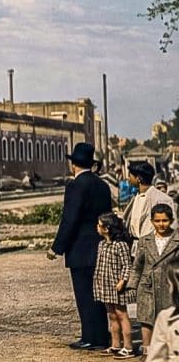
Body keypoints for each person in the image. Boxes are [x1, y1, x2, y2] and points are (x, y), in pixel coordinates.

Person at [48, 142, 113, 350]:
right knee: (100, 293)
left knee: (85, 295)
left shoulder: (75, 186)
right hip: (101, 244)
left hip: (80, 248)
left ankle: (90, 337)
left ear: (73, 164)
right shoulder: (102, 185)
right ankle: (102, 335)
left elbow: (70, 219)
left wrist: (56, 247)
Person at [128, 204, 179, 352]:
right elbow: (137, 265)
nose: (161, 224)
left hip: (171, 285)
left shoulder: (176, 240)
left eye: (165, 221)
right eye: (157, 221)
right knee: (146, 319)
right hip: (148, 286)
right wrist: (132, 285)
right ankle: (147, 349)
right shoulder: (145, 241)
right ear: (152, 221)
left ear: (171, 220)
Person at [93, 212, 137, 358]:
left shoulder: (121, 245)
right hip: (105, 285)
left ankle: (128, 347)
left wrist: (122, 281)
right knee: (111, 315)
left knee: (121, 314)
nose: (97, 228)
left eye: (99, 225)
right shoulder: (102, 245)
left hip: (117, 285)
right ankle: (115, 344)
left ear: (106, 228)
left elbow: (127, 265)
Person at [125, 161, 174, 244]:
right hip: (135, 247)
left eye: (130, 175)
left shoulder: (161, 199)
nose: (128, 178)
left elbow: (171, 227)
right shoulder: (136, 197)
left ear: (138, 178)